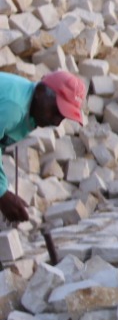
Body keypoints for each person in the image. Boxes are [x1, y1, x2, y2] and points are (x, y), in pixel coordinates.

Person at [0, 71, 86, 224]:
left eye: (63, 117)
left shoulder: (30, 108)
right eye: (56, 111)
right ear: (40, 92)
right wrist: (2, 194)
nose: (57, 122)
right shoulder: (15, 108)